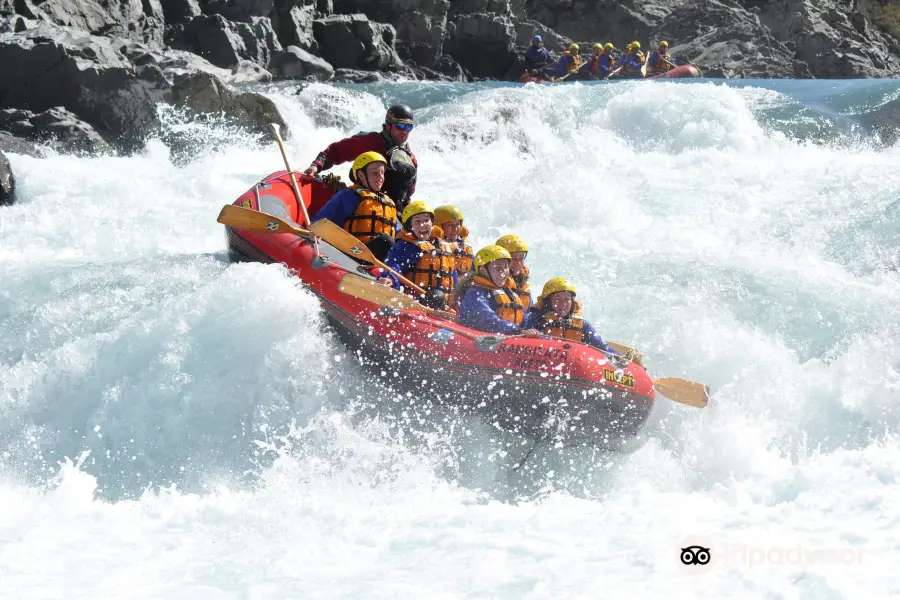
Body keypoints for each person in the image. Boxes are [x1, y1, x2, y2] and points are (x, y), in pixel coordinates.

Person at [303, 104, 418, 211]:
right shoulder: (370, 142)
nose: (404, 131)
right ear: (388, 125)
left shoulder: (410, 160)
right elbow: (335, 151)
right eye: (400, 126)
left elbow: (408, 194)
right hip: (359, 201)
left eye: (408, 127)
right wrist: (316, 166)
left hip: (388, 210)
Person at [311, 151, 398, 261]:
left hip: (377, 261)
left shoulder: (389, 203)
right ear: (361, 175)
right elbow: (319, 222)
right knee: (386, 241)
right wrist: (317, 232)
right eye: (375, 173)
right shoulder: (348, 196)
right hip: (351, 254)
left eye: (382, 173)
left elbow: (400, 237)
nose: (381, 177)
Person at [383, 200, 457, 309]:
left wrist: (460, 297)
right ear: (409, 226)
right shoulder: (406, 246)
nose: (422, 225)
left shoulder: (444, 247)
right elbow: (394, 266)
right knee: (436, 297)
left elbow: (454, 278)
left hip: (443, 305)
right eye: (417, 221)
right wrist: (390, 278)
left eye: (426, 220)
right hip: (415, 303)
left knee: (439, 297)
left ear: (432, 224)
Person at [457, 245, 541, 336]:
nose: (503, 272)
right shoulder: (475, 293)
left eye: (506, 267)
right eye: (498, 269)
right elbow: (486, 320)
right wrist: (517, 330)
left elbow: (526, 323)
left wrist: (536, 332)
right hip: (485, 341)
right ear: (483, 271)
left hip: (511, 337)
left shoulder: (510, 293)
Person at [533, 278, 618, 354]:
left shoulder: (582, 324)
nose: (563, 305)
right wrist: (535, 334)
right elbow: (529, 333)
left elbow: (603, 347)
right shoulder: (537, 318)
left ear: (572, 301)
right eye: (557, 299)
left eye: (567, 299)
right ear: (548, 302)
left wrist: (620, 358)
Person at [495, 234, 532, 310]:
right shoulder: (493, 282)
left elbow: (529, 314)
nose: (518, 263)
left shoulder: (522, 282)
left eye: (521, 258)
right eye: (513, 259)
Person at [434, 204, 474, 275]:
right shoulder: (431, 247)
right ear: (439, 227)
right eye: (450, 225)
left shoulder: (465, 247)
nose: (455, 229)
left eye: (457, 224)